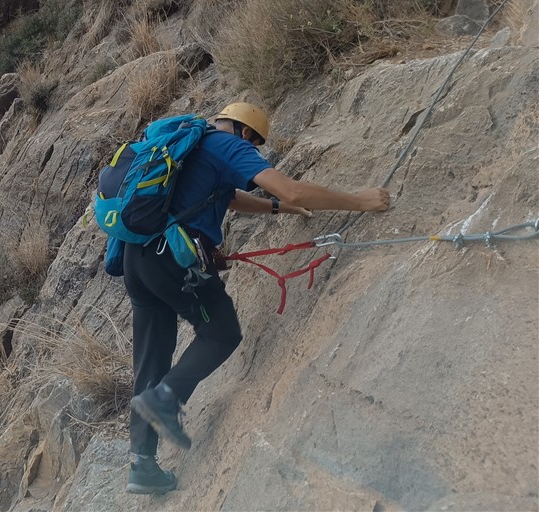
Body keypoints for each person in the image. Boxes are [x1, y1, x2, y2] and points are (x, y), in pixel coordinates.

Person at [124, 102, 390, 495]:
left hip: (136, 257)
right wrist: (360, 200)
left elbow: (228, 197)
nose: (254, 148)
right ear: (246, 133)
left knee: (151, 357)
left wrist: (277, 209)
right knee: (221, 332)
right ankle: (165, 398)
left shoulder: (189, 145)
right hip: (172, 258)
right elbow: (291, 187)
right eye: (256, 142)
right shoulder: (230, 146)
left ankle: (142, 464)